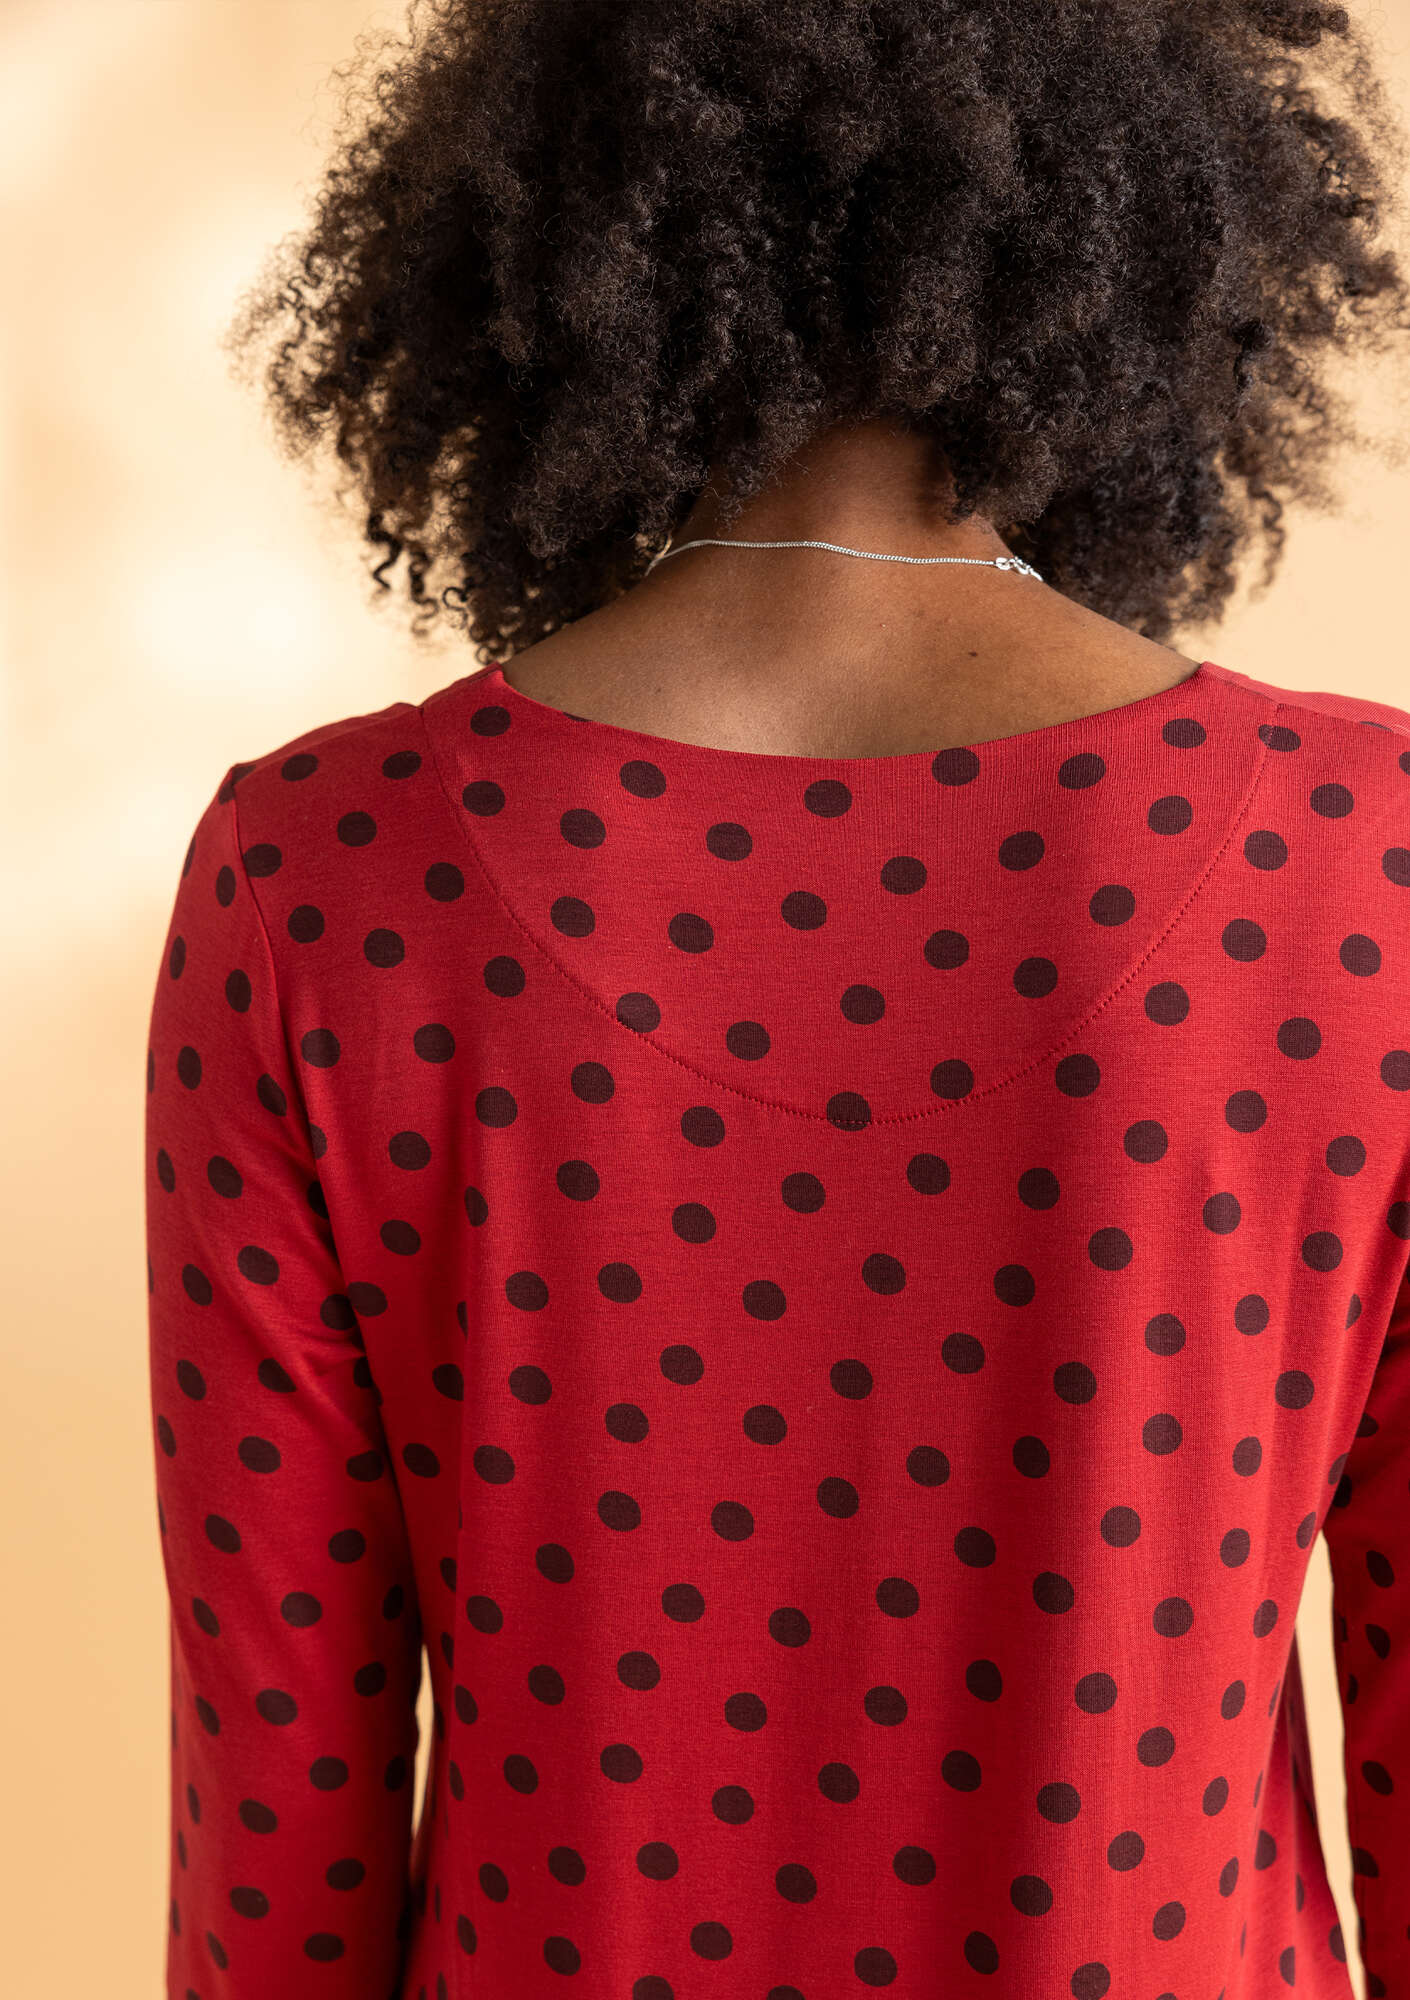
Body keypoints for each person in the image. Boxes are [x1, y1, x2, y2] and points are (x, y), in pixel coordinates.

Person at [146, 4, 1410, 1997]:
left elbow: (279, 1815)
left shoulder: (319, 879)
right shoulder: (1364, 862)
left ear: (558, 245)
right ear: (1136, 243)